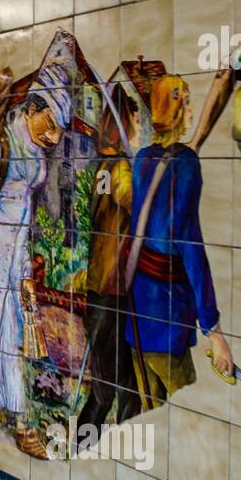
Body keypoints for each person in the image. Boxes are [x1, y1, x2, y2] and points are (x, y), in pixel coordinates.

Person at [0, 63, 70, 452]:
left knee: (7, 337)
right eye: (49, 125)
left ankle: (18, 421)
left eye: (57, 131)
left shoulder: (34, 152)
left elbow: (24, 220)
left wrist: (24, 274)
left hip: (13, 257)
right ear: (35, 109)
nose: (52, 137)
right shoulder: (2, 145)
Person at [124, 74, 233, 408]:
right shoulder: (186, 165)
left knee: (152, 410)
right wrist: (213, 330)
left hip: (137, 310)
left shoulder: (143, 159)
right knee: (189, 409)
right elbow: (190, 245)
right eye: (185, 102)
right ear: (173, 109)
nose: (190, 109)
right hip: (167, 315)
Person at [77, 84, 142, 431]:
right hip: (110, 292)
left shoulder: (105, 167)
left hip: (106, 290)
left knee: (117, 384)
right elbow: (135, 203)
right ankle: (88, 448)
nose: (138, 127)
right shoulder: (117, 169)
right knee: (112, 387)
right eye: (134, 118)